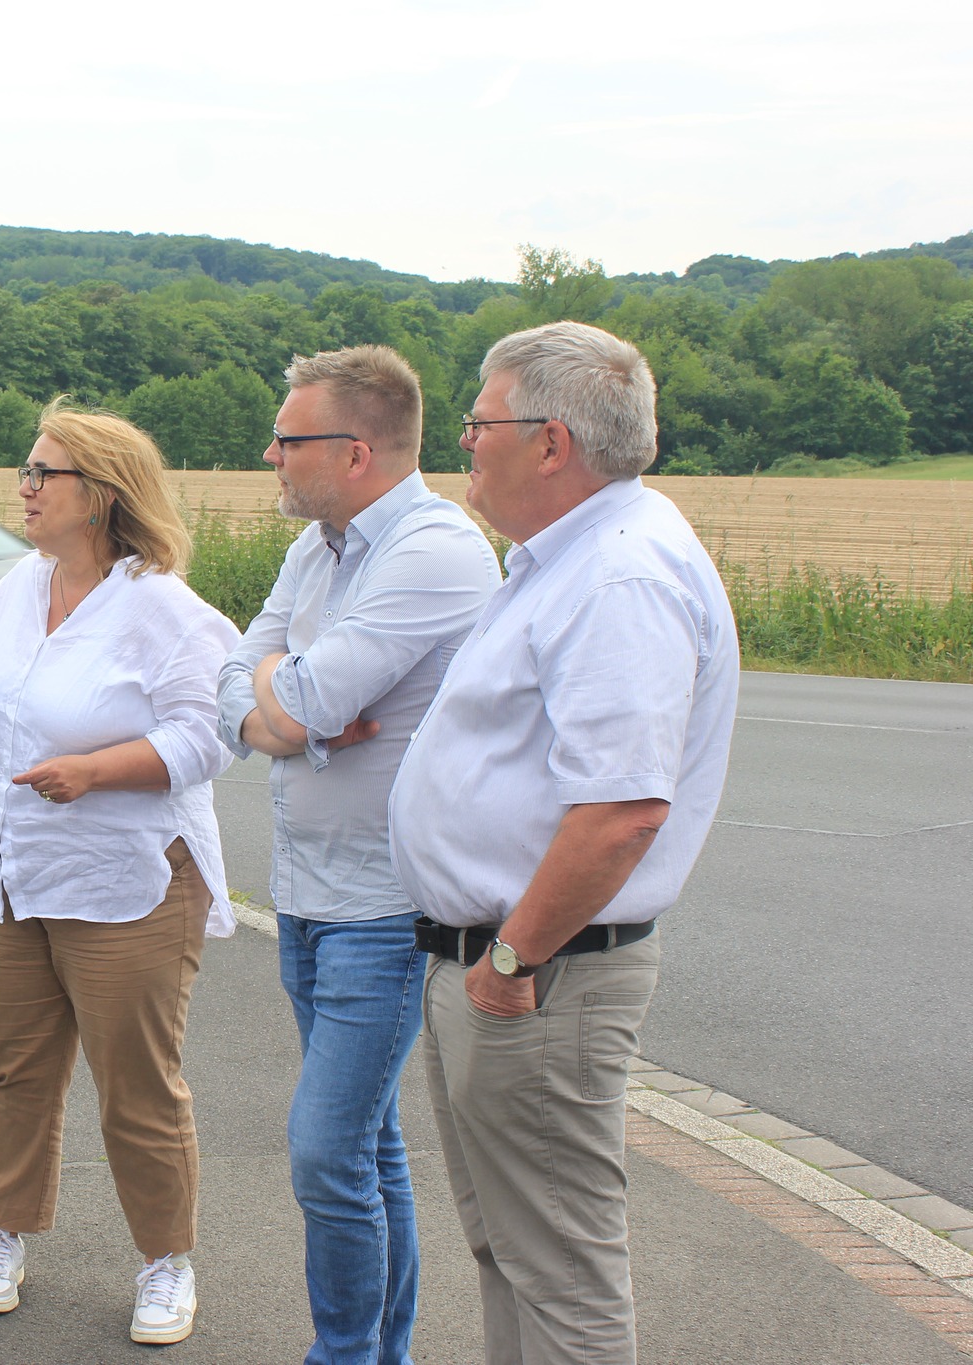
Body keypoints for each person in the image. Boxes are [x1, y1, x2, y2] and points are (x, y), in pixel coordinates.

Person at [390, 321, 739, 1364]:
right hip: (506, 967)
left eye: (478, 423)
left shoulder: (616, 577)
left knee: (559, 1274)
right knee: (513, 1252)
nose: (464, 445)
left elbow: (622, 811)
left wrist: (509, 959)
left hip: (535, 977)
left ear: (549, 442)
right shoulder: (565, 561)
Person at [0, 399, 239, 1347]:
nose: (26, 485)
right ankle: (5, 1232)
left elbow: (211, 735)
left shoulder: (166, 608)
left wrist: (96, 771)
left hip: (125, 882)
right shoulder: (20, 584)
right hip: (13, 874)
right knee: (14, 1072)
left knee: (136, 1085)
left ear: (101, 495)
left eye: (45, 471)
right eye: (27, 467)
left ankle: (167, 1260)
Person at [216, 346, 501, 1364]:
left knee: (325, 1150)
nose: (269, 455)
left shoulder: (433, 549)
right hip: (304, 890)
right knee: (367, 1148)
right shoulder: (321, 547)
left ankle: (342, 1357)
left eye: (288, 441)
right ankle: (381, 1354)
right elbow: (230, 682)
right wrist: (294, 714)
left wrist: (288, 705)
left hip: (386, 902)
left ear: (355, 449)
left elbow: (285, 694)